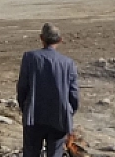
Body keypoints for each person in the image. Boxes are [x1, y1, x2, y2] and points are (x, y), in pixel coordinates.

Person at [16, 23, 79, 157]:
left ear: (41, 38)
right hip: (59, 116)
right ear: (60, 40)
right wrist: (68, 113)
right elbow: (73, 94)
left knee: (31, 153)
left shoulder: (29, 58)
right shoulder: (68, 63)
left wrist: (25, 108)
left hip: (34, 116)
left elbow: (22, 88)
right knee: (55, 153)